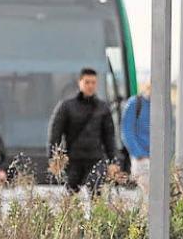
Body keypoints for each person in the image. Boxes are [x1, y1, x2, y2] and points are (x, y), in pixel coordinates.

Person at [48, 67, 119, 195]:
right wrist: (54, 158)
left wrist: (113, 161)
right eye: (87, 82)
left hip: (96, 159)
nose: (90, 86)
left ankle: (97, 216)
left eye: (93, 83)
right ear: (80, 82)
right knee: (71, 197)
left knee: (96, 194)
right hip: (73, 160)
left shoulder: (102, 108)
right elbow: (55, 134)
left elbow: (109, 137)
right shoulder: (67, 107)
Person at [120, 80, 151, 194]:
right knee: (148, 195)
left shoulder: (163, 106)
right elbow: (127, 131)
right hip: (142, 159)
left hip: (158, 159)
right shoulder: (135, 103)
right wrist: (139, 155)